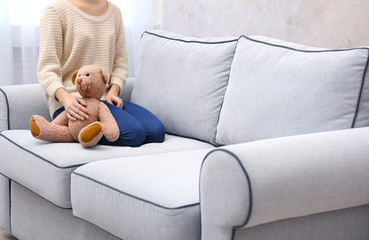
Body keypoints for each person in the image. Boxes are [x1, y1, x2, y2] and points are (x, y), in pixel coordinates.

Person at [37, 0, 165, 147]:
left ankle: (73, 131)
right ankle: (70, 130)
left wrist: (114, 91)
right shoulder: (54, 11)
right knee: (134, 134)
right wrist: (66, 99)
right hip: (73, 104)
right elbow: (46, 68)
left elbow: (120, 62)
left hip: (105, 99)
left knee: (156, 131)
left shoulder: (115, 12)